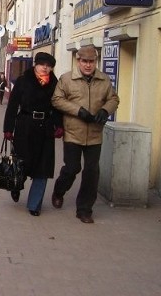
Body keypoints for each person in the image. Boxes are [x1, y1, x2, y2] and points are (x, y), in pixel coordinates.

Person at [51, 45, 119, 224]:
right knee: (72, 168)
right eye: (84, 61)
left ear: (95, 62)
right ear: (78, 61)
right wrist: (78, 111)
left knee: (91, 171)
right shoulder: (67, 79)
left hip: (95, 133)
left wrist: (105, 110)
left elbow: (113, 99)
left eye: (91, 61)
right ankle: (59, 190)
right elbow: (56, 100)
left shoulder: (104, 80)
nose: (88, 65)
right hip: (73, 132)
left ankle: (84, 209)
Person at [3, 52, 63, 216]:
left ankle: (34, 205)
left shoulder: (54, 84)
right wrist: (8, 129)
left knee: (42, 169)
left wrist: (59, 125)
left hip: (45, 129)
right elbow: (13, 105)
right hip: (25, 127)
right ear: (35, 65)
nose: (45, 67)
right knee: (22, 164)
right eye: (42, 64)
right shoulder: (24, 81)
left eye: (49, 65)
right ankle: (16, 185)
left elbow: (57, 106)